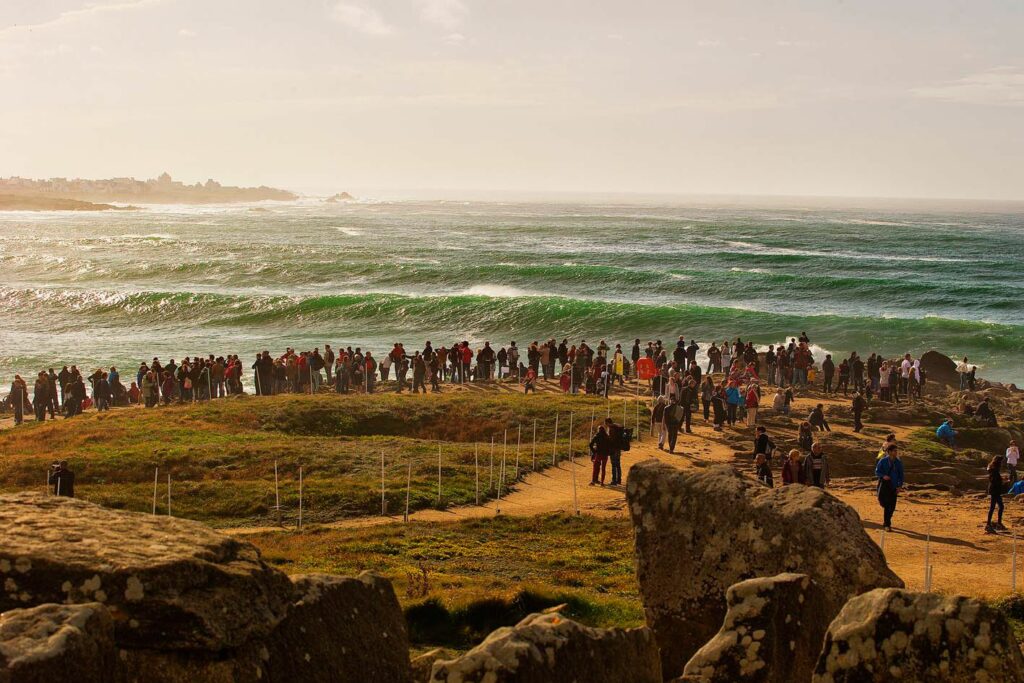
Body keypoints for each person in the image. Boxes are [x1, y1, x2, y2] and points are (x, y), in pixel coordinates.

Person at [875, 443, 903, 531]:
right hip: (884, 484)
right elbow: (877, 471)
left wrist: (899, 486)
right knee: (884, 503)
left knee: (892, 506)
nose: (896, 452)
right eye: (894, 451)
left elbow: (901, 475)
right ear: (889, 452)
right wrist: (883, 476)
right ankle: (887, 523)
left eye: (896, 451)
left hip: (894, 485)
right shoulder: (883, 461)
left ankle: (887, 523)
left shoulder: (898, 462)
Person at [986, 454, 1006, 533]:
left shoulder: (992, 468)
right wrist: (1002, 481)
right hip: (995, 491)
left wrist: (1001, 479)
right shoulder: (995, 470)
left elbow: (993, 479)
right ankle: (990, 524)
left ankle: (995, 523)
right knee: (996, 507)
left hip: (993, 490)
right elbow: (994, 481)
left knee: (997, 507)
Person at [605, 418, 624, 486]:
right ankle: (619, 480)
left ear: (607, 423)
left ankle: (614, 480)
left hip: (613, 449)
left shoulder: (611, 429)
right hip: (618, 448)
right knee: (618, 464)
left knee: (613, 465)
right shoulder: (617, 427)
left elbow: (611, 439)